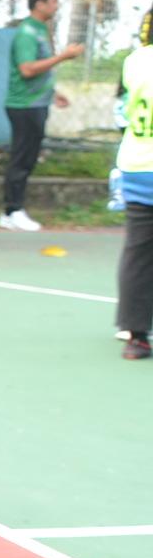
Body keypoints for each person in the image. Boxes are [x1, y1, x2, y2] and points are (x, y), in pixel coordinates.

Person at [0, 0, 84, 233]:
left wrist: (52, 93)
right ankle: (11, 210)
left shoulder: (41, 29)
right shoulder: (27, 32)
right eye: (54, 1)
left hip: (37, 103)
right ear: (40, 4)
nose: (56, 6)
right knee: (21, 158)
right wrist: (63, 57)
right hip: (23, 105)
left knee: (29, 158)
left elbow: (38, 69)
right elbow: (26, 69)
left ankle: (14, 209)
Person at [116, 29, 152, 361]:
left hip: (137, 166)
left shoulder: (135, 61)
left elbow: (121, 108)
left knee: (138, 253)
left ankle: (136, 335)